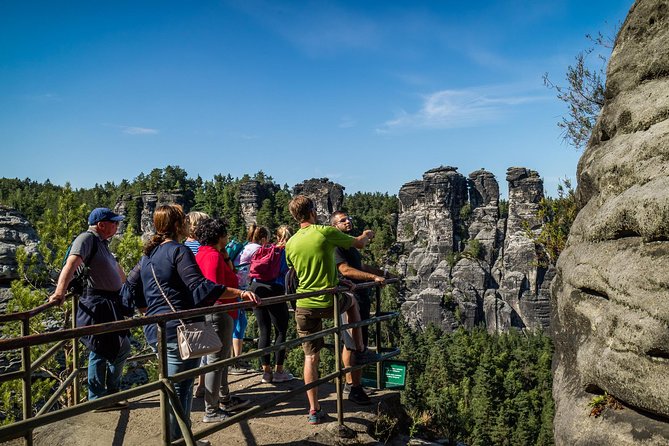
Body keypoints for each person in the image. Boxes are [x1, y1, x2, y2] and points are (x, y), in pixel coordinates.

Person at [122, 204, 258, 443]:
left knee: (173, 388)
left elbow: (129, 289)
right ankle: (179, 440)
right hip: (180, 330)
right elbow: (199, 287)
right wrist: (237, 292)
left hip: (156, 329)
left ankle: (182, 438)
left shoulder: (148, 254)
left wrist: (147, 311)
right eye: (184, 221)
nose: (188, 224)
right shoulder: (179, 251)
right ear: (178, 225)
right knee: (180, 391)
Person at [285, 195, 379, 425]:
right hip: (328, 300)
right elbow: (358, 243)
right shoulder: (324, 232)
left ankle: (314, 410)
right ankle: (358, 346)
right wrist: (367, 235)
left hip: (304, 304)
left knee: (310, 357)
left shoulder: (291, 242)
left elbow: (298, 270)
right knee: (352, 301)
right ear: (313, 211)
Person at [49, 207, 131, 409]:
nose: (117, 226)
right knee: (100, 350)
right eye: (114, 222)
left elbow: (117, 271)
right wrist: (60, 292)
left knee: (121, 347)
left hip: (110, 303)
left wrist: (129, 291)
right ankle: (98, 398)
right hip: (96, 303)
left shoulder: (102, 243)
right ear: (101, 224)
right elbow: (71, 264)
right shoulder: (86, 239)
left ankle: (111, 394)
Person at [195, 218, 257, 422]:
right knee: (216, 361)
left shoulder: (203, 253)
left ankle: (224, 398)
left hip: (218, 312)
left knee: (221, 360)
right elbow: (213, 289)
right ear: (219, 236)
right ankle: (211, 410)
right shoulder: (212, 256)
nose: (227, 237)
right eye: (225, 234)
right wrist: (239, 293)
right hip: (219, 313)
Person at [330, 211, 390, 402]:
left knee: (357, 342)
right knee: (352, 344)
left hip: (359, 299)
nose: (348, 222)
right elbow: (345, 270)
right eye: (343, 220)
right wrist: (373, 278)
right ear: (334, 226)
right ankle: (353, 387)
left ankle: (354, 383)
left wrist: (384, 273)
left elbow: (360, 267)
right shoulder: (336, 246)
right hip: (349, 300)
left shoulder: (348, 244)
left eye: (349, 218)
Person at [250, 225, 293, 384]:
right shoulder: (287, 251)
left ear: (276, 236)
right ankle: (279, 371)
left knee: (264, 330)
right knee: (281, 331)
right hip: (275, 288)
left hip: (256, 288)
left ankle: (266, 373)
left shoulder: (267, 248)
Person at [229, 223, 266, 374]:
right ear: (263, 238)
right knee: (240, 323)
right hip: (241, 289)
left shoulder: (246, 246)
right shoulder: (258, 249)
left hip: (234, 285)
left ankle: (233, 359)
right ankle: (236, 360)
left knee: (237, 322)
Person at [183, 210, 209, 397]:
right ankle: (202, 386)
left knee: (192, 347)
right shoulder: (204, 248)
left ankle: (190, 384)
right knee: (206, 348)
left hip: (186, 302)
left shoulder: (182, 247)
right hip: (204, 300)